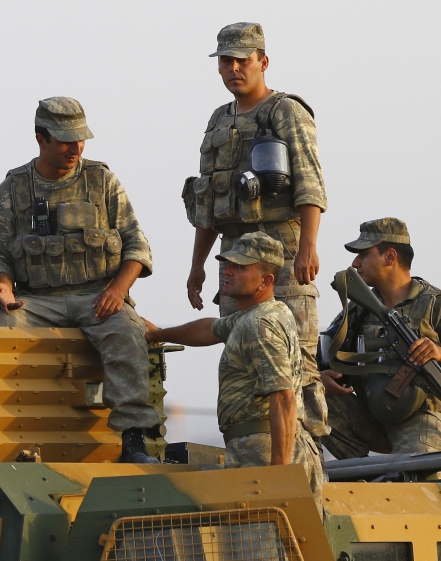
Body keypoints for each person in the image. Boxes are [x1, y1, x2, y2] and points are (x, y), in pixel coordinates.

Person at [0, 97, 161, 464]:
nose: (75, 148)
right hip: (36, 301)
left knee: (127, 331)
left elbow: (137, 246)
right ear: (40, 139)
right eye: (65, 140)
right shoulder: (14, 188)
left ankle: (133, 440)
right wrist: (3, 287)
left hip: (98, 296)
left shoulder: (101, 180)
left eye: (80, 139)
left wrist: (118, 290)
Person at [183, 22, 329, 444]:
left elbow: (310, 184)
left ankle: (306, 450)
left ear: (262, 62)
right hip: (235, 255)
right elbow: (209, 202)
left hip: (281, 254)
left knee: (296, 358)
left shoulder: (285, 112)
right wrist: (196, 266)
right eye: (225, 61)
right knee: (240, 353)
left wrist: (307, 248)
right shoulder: (217, 120)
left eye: (242, 60)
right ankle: (252, 449)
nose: (233, 69)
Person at [145, 232, 323, 513]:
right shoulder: (254, 316)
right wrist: (158, 333)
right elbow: (211, 329)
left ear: (266, 281)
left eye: (240, 267)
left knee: (263, 546)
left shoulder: (261, 324)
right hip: (258, 447)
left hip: (264, 450)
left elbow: (283, 398)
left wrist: (277, 477)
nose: (227, 271)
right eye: (228, 264)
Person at [321, 218, 441, 458]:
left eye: (364, 255)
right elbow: (326, 355)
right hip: (373, 415)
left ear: (390, 257)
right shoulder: (359, 309)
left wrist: (438, 352)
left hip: (421, 419)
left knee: (415, 474)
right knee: (309, 395)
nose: (355, 263)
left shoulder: (436, 304)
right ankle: (361, 478)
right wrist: (324, 378)